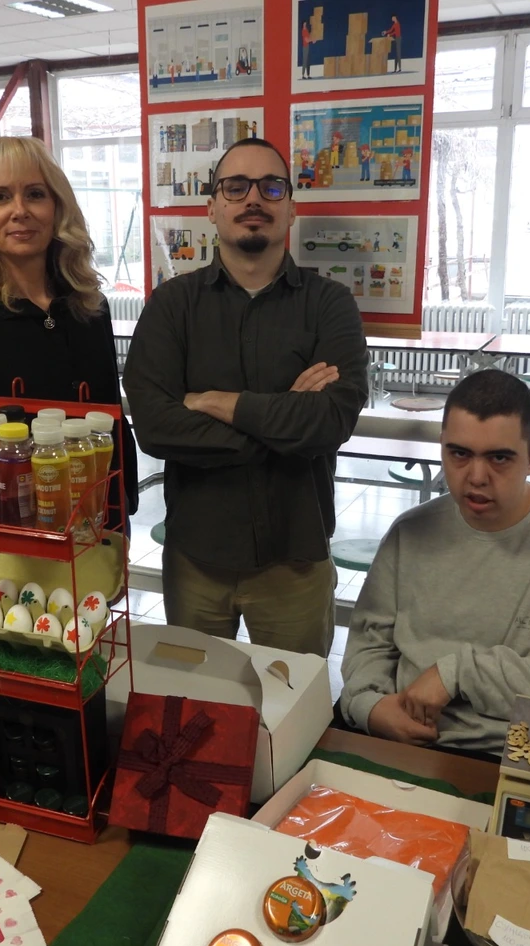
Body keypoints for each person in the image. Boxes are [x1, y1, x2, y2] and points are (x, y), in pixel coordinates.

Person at [124, 137, 370, 657]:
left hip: (296, 561)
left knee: (293, 702)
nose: (253, 198)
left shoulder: (331, 305)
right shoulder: (171, 306)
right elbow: (155, 425)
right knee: (196, 699)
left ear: (291, 207)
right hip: (195, 562)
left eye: (271, 187)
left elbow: (331, 421)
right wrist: (282, 422)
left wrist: (217, 402)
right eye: (235, 187)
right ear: (212, 207)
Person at [340, 369, 530, 755]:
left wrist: (456, 674)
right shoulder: (410, 532)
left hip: (517, 752)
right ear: (442, 447)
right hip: (401, 738)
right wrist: (370, 707)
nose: (476, 477)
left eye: (499, 458)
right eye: (459, 454)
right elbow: (370, 642)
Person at [0, 135, 138, 523]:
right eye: (0, 197)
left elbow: (110, 419)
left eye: (35, 194)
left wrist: (120, 505)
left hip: (97, 517)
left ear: (57, 207)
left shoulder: (90, 306)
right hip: (7, 532)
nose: (19, 211)